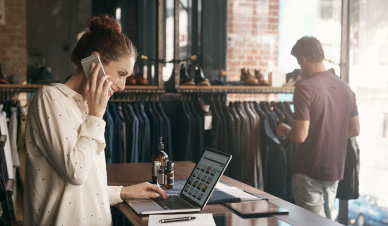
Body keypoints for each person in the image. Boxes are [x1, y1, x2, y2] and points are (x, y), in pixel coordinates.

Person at [23, 14, 168, 225]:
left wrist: (125, 192)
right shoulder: (50, 98)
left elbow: (82, 190)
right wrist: (96, 115)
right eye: (120, 73)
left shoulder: (86, 107)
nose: (122, 86)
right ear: (94, 62)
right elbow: (76, 172)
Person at [277, 36, 360, 219]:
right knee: (327, 221)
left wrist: (285, 130)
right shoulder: (346, 88)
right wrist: (330, 134)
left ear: (303, 59)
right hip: (335, 170)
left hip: (309, 170)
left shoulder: (305, 88)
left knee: (311, 224)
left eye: (299, 62)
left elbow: (299, 135)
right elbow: (355, 130)